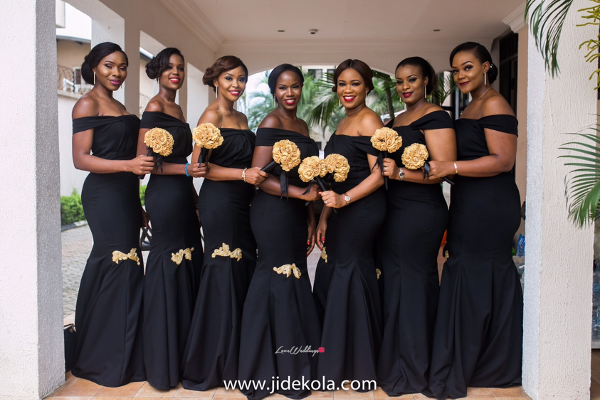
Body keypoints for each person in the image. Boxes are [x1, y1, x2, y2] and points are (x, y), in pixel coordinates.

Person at [426, 42, 523, 399]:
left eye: (467, 67)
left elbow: (503, 161)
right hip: (470, 201)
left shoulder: (495, 103)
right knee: (468, 273)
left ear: (486, 66)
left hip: (490, 205)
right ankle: (481, 359)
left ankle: (490, 362)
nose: (461, 75)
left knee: (479, 274)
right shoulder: (471, 106)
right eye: (455, 69)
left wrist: (449, 167)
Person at [181, 56, 267, 391]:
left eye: (242, 79)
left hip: (246, 205)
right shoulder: (211, 115)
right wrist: (243, 174)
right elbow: (199, 167)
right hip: (220, 203)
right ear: (216, 80)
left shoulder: (243, 117)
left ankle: (239, 357)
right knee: (223, 272)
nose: (236, 84)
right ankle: (213, 362)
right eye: (229, 78)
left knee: (242, 271)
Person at [238, 64, 321, 400]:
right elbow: (259, 175)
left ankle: (296, 364)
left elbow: (308, 179)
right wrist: (302, 195)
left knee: (295, 276)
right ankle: (262, 367)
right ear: (274, 91)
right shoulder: (271, 122)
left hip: (297, 212)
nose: (290, 93)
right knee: (273, 275)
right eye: (283, 87)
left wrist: (311, 215)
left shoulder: (301, 125)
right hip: (272, 211)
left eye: (296, 86)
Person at [71, 42, 151, 386]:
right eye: (108, 66)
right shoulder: (86, 103)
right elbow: (81, 159)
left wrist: (139, 205)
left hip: (125, 195)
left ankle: (125, 352)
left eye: (122, 67)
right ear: (93, 67)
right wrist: (129, 165)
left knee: (129, 267)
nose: (116, 73)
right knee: (115, 263)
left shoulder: (118, 104)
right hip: (103, 194)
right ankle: (99, 356)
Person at [376, 57, 456, 396]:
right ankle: (395, 359)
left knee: (413, 282)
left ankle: (416, 366)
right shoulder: (397, 119)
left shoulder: (436, 116)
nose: (405, 86)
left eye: (411, 79)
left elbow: (443, 169)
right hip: (393, 209)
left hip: (421, 211)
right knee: (395, 281)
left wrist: (397, 173)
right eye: (399, 81)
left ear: (427, 81)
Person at [313, 59, 385, 388]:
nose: (347, 90)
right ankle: (338, 358)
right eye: (342, 83)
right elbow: (336, 178)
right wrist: (327, 214)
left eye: (354, 83)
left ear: (367, 87)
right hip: (342, 209)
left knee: (350, 271)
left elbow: (380, 173)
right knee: (338, 271)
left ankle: (356, 364)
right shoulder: (345, 120)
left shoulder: (369, 119)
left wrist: (343, 202)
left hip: (362, 208)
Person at [136, 47, 205, 390]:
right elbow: (144, 161)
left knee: (190, 265)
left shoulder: (177, 108)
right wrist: (186, 169)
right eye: (169, 68)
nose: (175, 73)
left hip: (183, 195)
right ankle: (162, 364)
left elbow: (183, 168)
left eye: (179, 67)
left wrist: (196, 201)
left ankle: (184, 354)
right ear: (158, 72)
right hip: (163, 197)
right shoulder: (154, 107)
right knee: (168, 267)